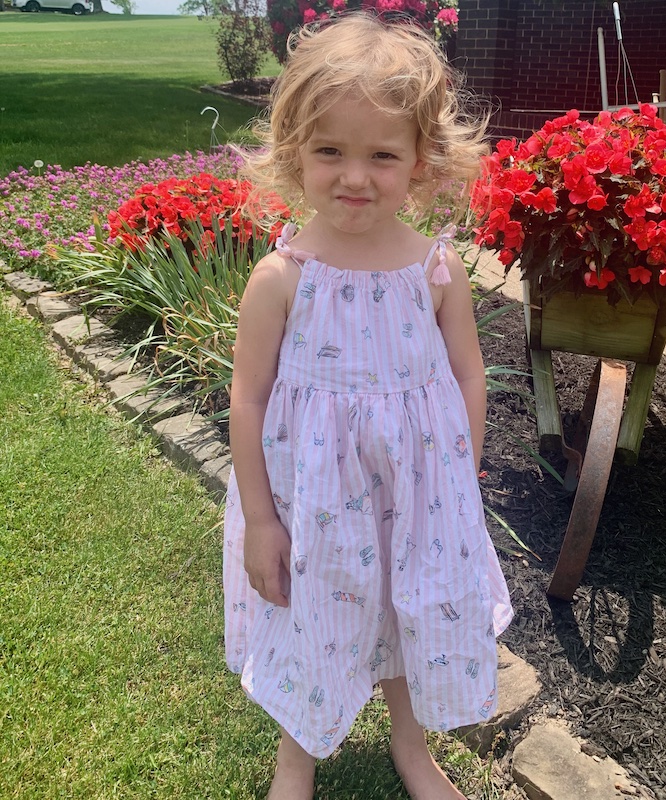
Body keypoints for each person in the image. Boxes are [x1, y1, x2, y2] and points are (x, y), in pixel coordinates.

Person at [223, 12, 513, 800]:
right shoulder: (283, 278)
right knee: (315, 621)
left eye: (382, 154)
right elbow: (247, 399)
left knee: (409, 614)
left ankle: (411, 748)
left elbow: (468, 376)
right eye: (331, 152)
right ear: (296, 153)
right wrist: (261, 520)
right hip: (315, 507)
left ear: (421, 160)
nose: (356, 177)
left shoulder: (435, 271)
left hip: (419, 501)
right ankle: (296, 762)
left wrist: (461, 481)